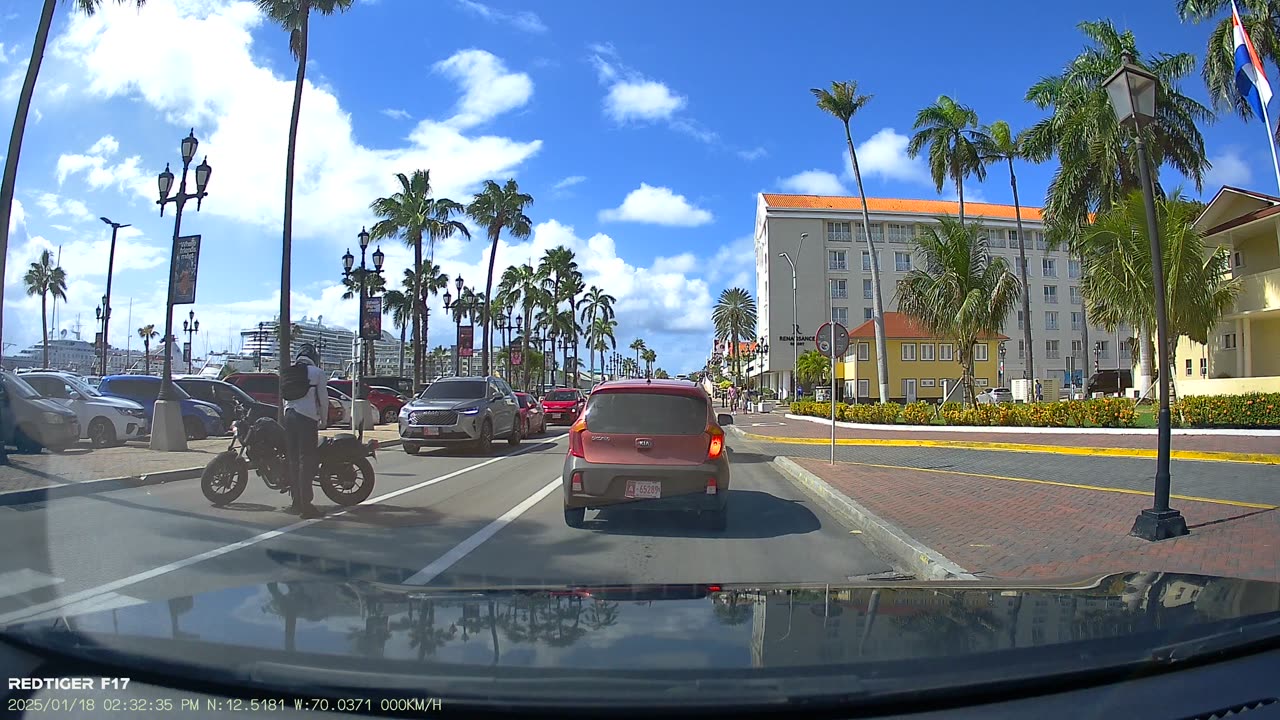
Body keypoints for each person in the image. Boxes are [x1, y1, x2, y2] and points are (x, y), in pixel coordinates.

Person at [284, 343, 326, 519]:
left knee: (293, 460)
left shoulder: (288, 371)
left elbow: (284, 398)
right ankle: (306, 505)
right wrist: (324, 419)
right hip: (306, 418)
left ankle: (295, 501)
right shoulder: (317, 373)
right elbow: (323, 399)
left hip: (289, 416)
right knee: (306, 461)